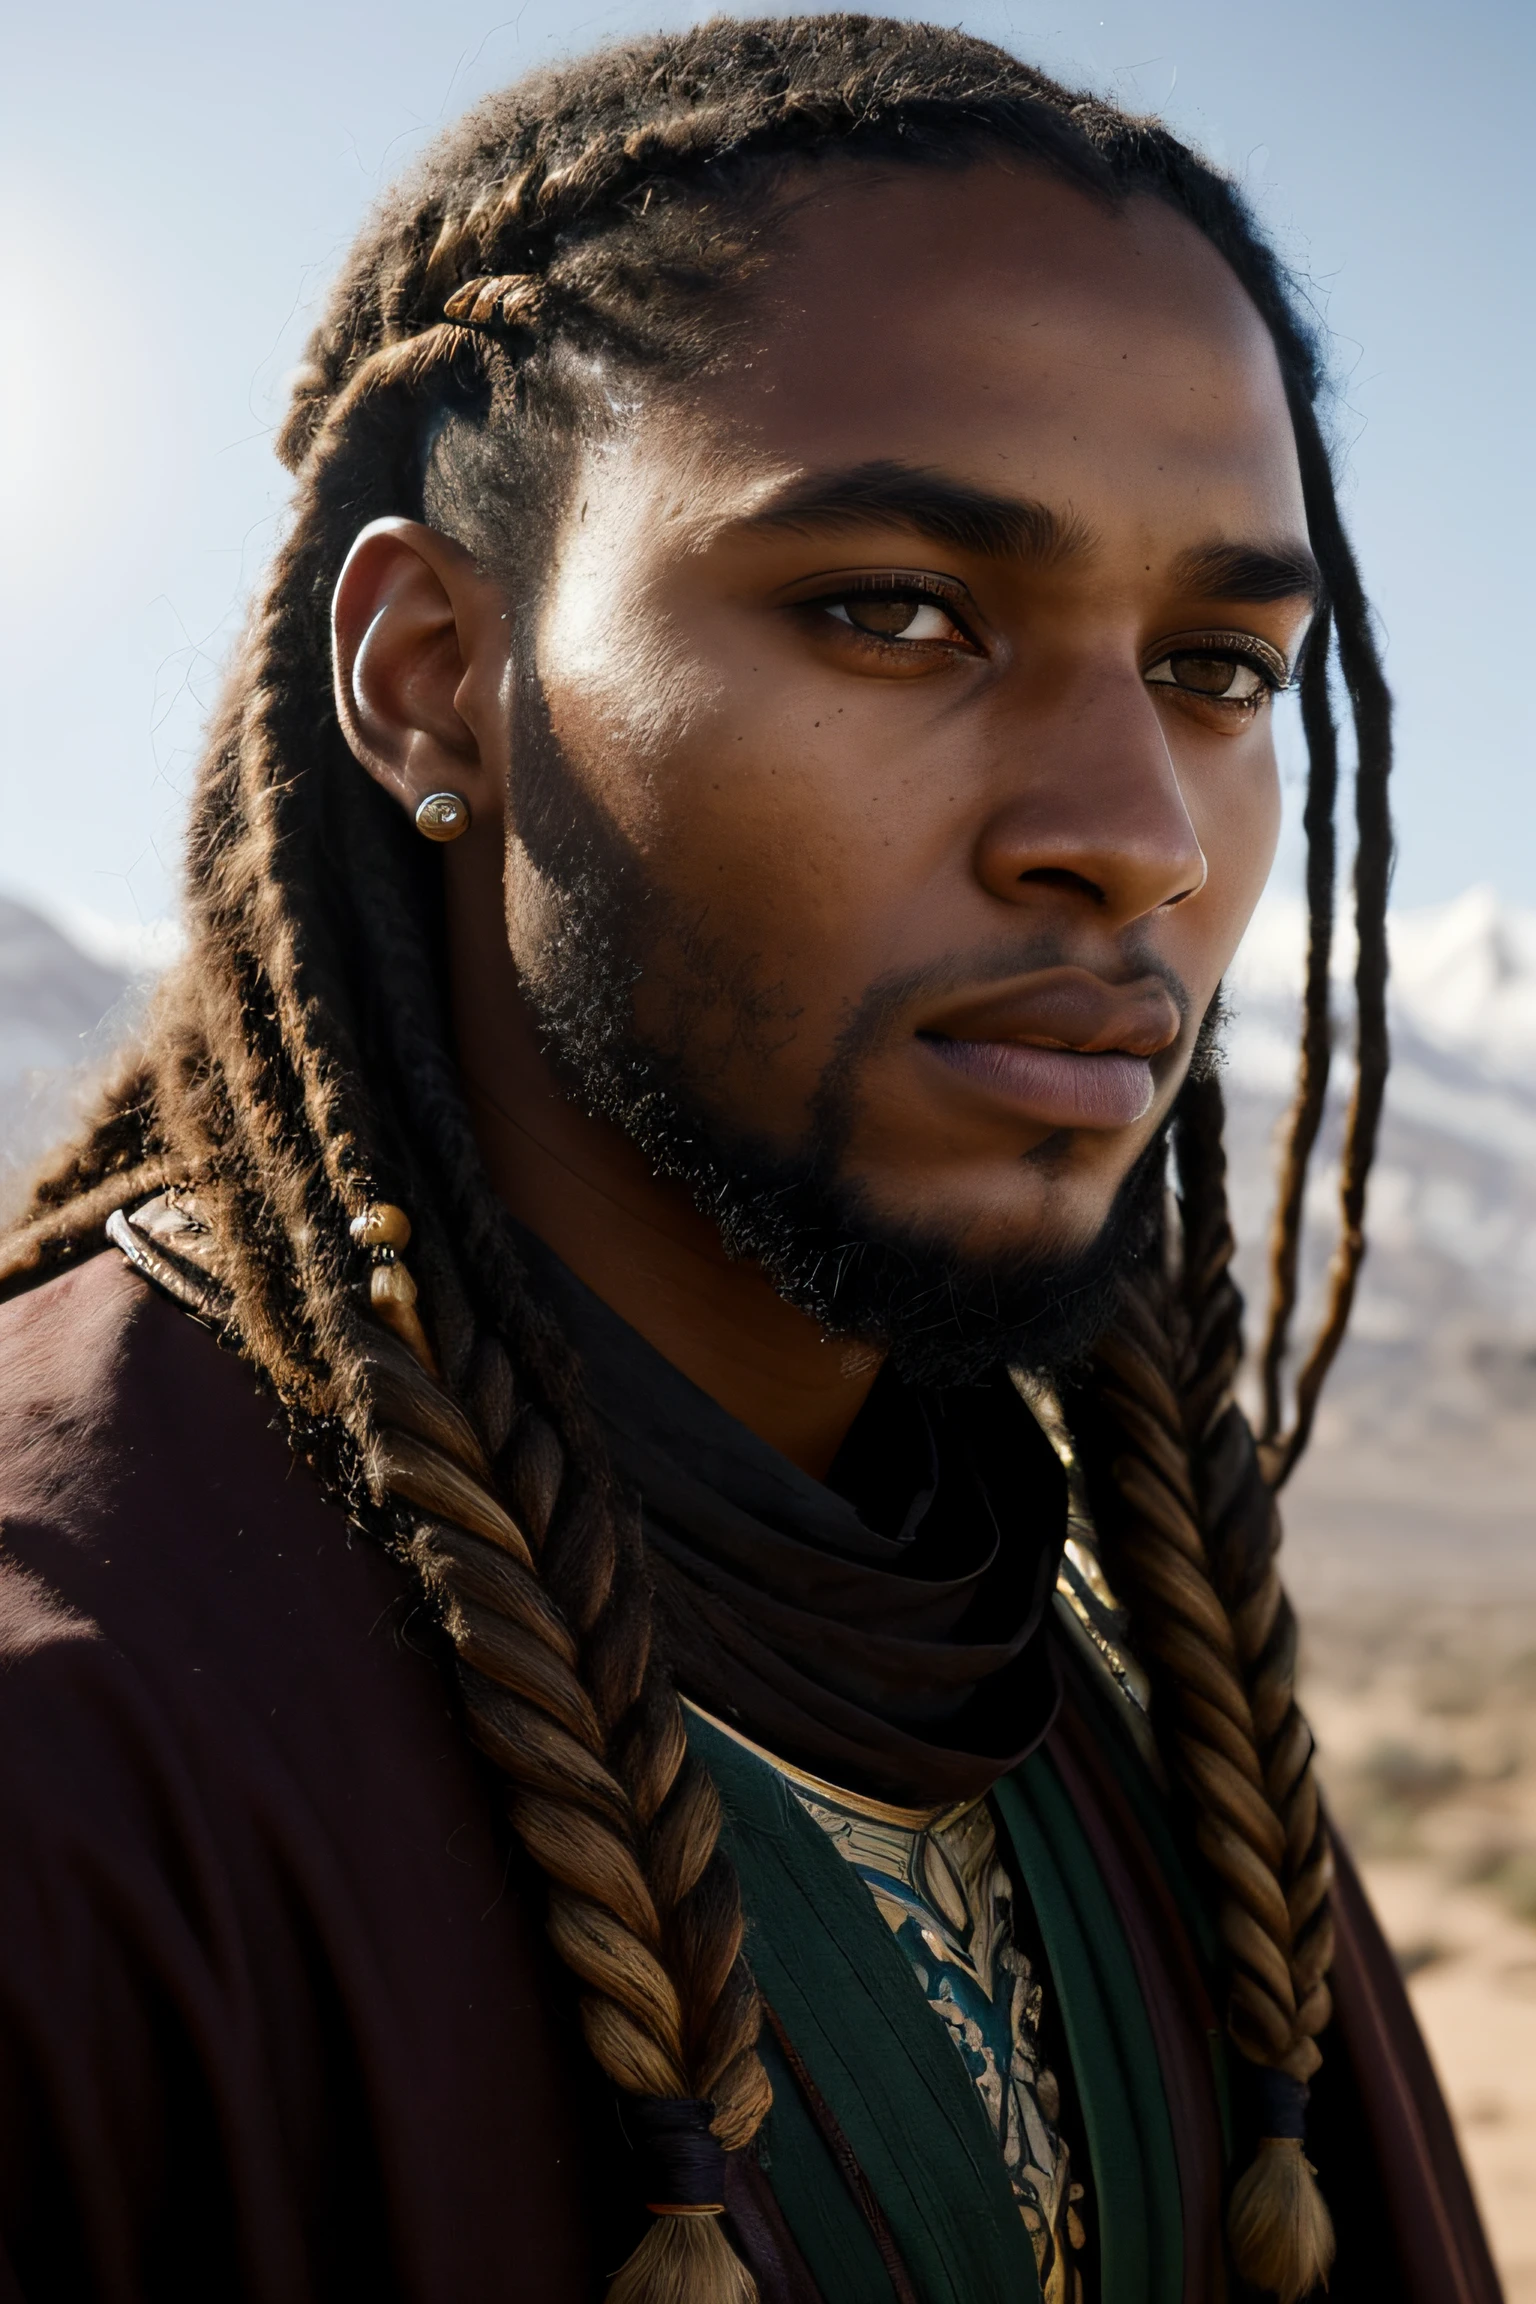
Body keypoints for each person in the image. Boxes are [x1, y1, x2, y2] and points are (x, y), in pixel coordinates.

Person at [0, 17, 1499, 2304]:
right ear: (430, 677)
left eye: (1215, 662)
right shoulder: (71, 1719)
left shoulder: (1130, 1678)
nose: (1131, 835)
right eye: (896, 610)